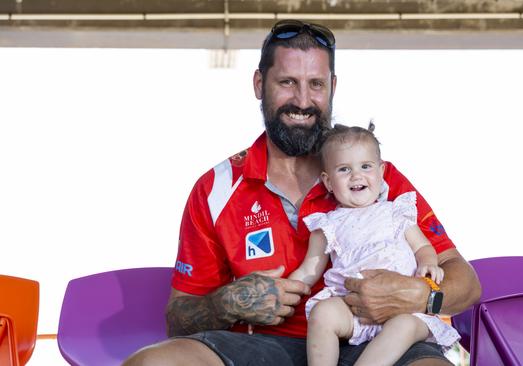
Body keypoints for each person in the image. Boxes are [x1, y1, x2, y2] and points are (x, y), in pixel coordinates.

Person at [124, 19, 480, 366]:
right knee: (151, 362)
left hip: (379, 340)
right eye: (287, 82)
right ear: (259, 83)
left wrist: (417, 294)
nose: (302, 100)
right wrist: (225, 304)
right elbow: (179, 319)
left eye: (316, 84)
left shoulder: (377, 178)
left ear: (333, 87)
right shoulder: (214, 189)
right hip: (261, 347)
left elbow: (466, 283)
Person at [287, 123, 460, 366]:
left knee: (405, 326)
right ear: (328, 181)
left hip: (404, 310)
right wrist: (286, 287)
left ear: (381, 172)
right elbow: (309, 269)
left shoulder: (396, 212)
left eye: (365, 166)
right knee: (323, 313)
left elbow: (422, 247)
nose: (356, 175)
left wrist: (428, 264)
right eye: (344, 169)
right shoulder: (327, 225)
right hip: (354, 309)